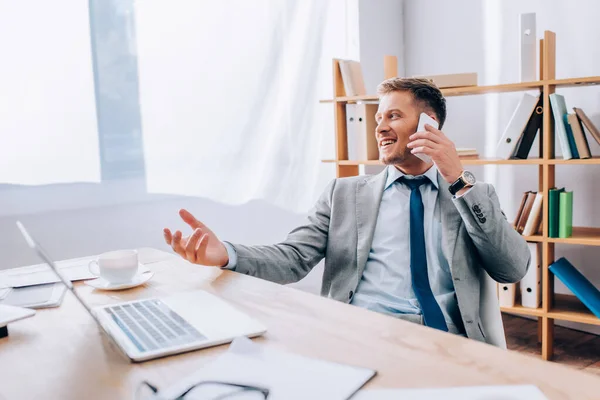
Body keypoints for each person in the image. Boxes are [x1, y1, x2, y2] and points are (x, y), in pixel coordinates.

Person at [163, 77, 530, 344]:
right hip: (361, 335)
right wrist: (227, 254)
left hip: (448, 341)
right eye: (378, 119)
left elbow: (512, 269)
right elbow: (292, 259)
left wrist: (457, 177)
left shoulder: (469, 194)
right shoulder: (344, 193)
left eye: (393, 117)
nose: (381, 128)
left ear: (428, 123)